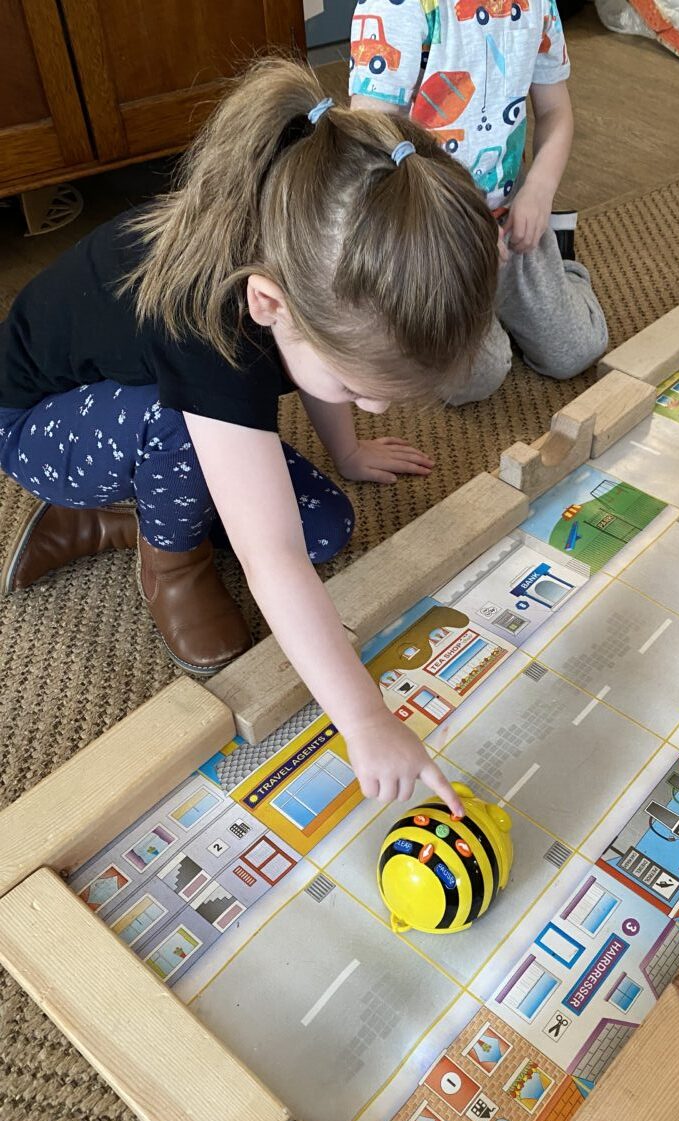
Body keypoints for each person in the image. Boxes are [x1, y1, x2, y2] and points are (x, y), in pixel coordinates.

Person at [0, 57, 503, 815]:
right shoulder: (209, 327)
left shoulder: (294, 267)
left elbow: (315, 363)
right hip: (36, 425)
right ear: (268, 304)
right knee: (180, 432)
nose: (372, 408)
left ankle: (130, 509)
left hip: (151, 397)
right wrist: (365, 718)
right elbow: (270, 560)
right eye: (355, 390)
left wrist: (346, 451)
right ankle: (164, 558)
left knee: (325, 529)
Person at [349, 0, 609, 403]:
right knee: (476, 377)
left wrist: (540, 190)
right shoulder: (400, 8)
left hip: (510, 219)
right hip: (432, 230)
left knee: (576, 350)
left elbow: (556, 110)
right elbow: (371, 151)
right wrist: (464, 227)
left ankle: (558, 267)